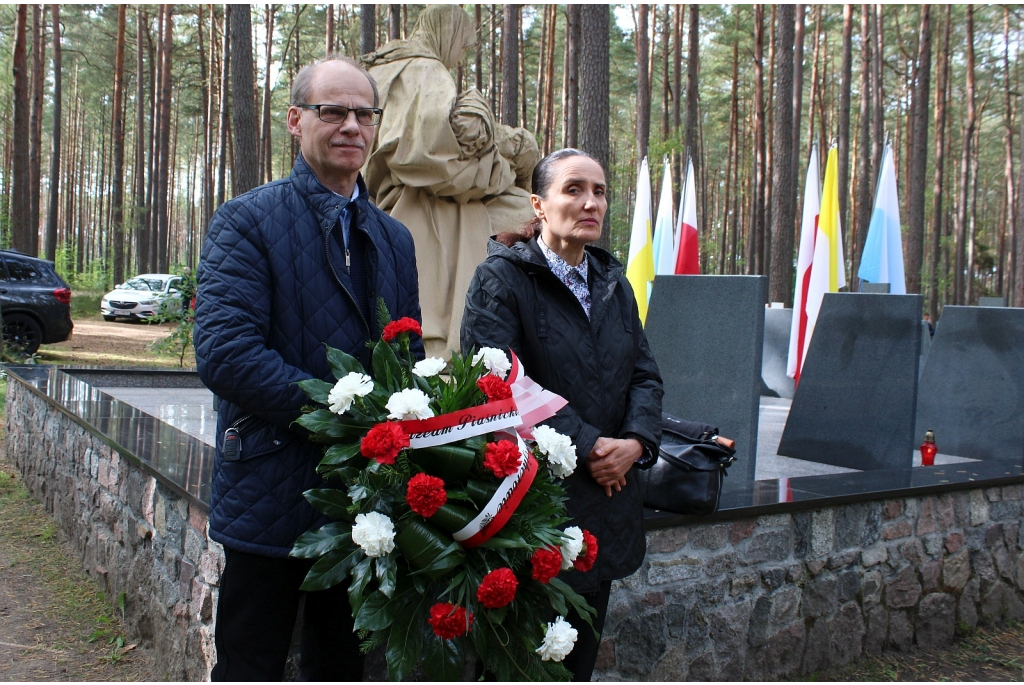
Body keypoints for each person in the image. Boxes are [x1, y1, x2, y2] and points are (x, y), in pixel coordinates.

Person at [193, 56, 422, 681]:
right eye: (333, 111)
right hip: (272, 485)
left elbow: (406, 360)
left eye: (363, 114)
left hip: (363, 502)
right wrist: (345, 418)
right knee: (251, 664)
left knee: (342, 666)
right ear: (296, 121)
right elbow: (225, 352)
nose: (351, 125)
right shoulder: (247, 220)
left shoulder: (394, 239)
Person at [460, 149, 664, 681]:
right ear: (539, 203)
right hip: (532, 508)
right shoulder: (501, 280)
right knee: (519, 660)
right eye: (573, 189)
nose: (590, 202)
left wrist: (636, 443)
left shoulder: (612, 283)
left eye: (598, 191)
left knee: (577, 662)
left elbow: (644, 374)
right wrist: (593, 443)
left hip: (606, 498)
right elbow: (498, 382)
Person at [362, 4, 540, 359]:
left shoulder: (382, 70)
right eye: (463, 44)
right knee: (531, 215)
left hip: (379, 199)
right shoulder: (427, 71)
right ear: (448, 32)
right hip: (418, 204)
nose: (461, 56)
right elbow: (435, 162)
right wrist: (507, 160)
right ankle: (455, 349)